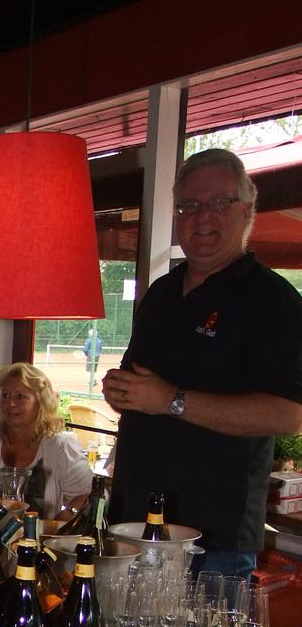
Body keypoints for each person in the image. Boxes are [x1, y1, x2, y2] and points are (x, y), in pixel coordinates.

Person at [102, 148, 302, 578]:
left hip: (212, 541)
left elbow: (289, 415)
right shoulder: (161, 293)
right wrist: (122, 392)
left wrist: (171, 401)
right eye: (189, 205)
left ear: (246, 210)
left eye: (218, 202)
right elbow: (141, 388)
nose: (202, 215)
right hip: (133, 524)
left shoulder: (273, 300)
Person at [0, 362, 93, 519]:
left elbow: (89, 494)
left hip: (39, 534)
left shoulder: (61, 448)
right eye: (6, 395)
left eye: (20, 396)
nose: (11, 403)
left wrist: (68, 514)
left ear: (40, 402)